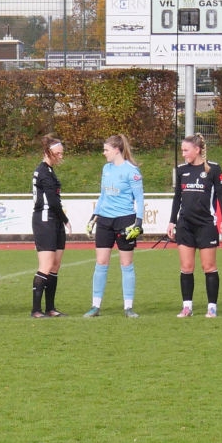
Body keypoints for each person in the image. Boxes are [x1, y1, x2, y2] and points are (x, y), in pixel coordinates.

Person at [168, 133, 222, 319]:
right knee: (186, 266)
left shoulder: (213, 169)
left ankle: (212, 307)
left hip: (206, 224)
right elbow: (177, 197)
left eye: (186, 150)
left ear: (197, 149)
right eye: (182, 150)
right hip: (185, 224)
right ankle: (187, 307)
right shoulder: (181, 170)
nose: (183, 153)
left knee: (208, 266)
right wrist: (172, 221)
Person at [89, 133, 144, 318]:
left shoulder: (132, 171)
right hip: (105, 220)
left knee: (126, 263)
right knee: (101, 262)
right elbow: (103, 194)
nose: (104, 153)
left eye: (106, 150)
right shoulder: (106, 169)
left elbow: (140, 199)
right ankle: (95, 306)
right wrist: (94, 215)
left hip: (124, 220)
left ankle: (128, 307)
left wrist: (138, 222)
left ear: (116, 149)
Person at [31, 135, 69, 317]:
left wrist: (61, 219)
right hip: (45, 221)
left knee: (55, 266)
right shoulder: (43, 171)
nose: (61, 157)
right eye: (58, 154)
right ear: (48, 152)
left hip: (55, 221)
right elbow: (52, 201)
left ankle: (50, 307)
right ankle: (36, 309)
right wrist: (65, 218)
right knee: (45, 266)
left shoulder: (50, 170)